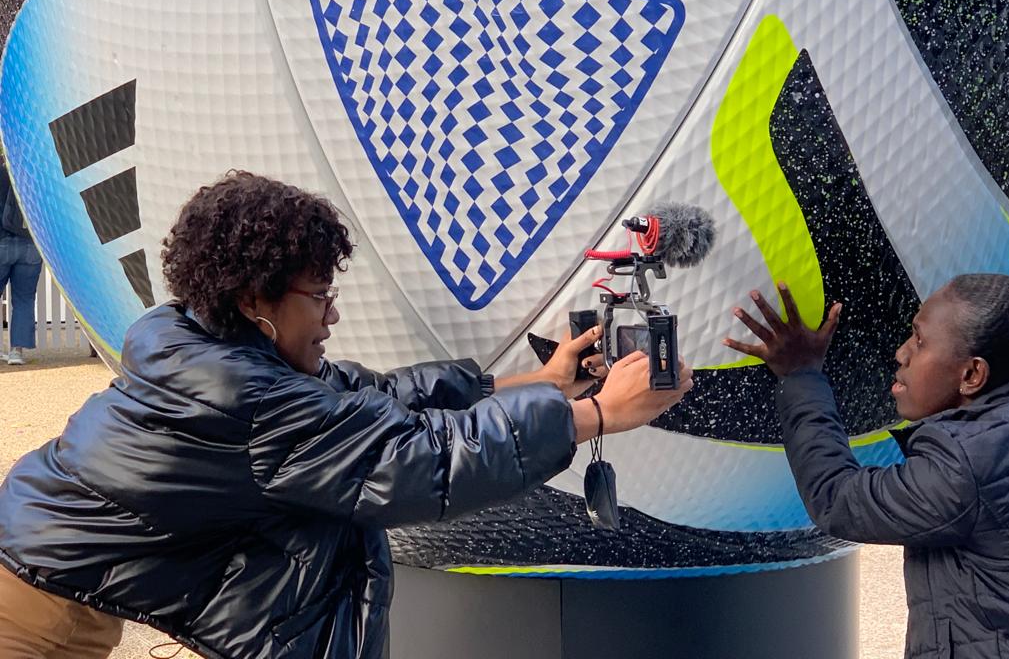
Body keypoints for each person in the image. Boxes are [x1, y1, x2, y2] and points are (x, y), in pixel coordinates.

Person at [0, 170, 691, 659]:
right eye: (319, 295)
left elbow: (367, 400)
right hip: (34, 611)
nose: (332, 316)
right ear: (254, 300)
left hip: (45, 569)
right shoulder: (248, 400)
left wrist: (534, 381)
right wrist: (598, 415)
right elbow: (422, 461)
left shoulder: (201, 344)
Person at [724, 274, 1009, 659]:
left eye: (920, 341)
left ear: (971, 375)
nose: (902, 353)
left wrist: (800, 376)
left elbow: (837, 499)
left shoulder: (967, 463)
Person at [0, 153, 43, 366]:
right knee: (25, 300)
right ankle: (17, 352)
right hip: (31, 246)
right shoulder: (34, 178)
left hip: (2, 243)